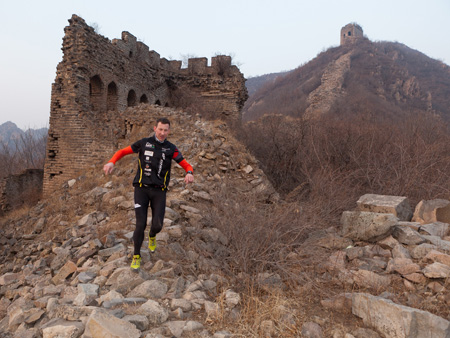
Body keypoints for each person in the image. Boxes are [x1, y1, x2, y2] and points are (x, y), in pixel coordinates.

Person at [103, 117, 194, 270]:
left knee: (157, 225)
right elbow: (123, 151)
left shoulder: (171, 148)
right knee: (140, 224)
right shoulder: (144, 143)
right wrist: (112, 161)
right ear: (154, 128)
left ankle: (152, 235)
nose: (162, 133)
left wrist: (189, 172)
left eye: (165, 130)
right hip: (141, 189)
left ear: (169, 131)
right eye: (160, 129)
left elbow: (185, 163)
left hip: (159, 191)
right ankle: (136, 255)